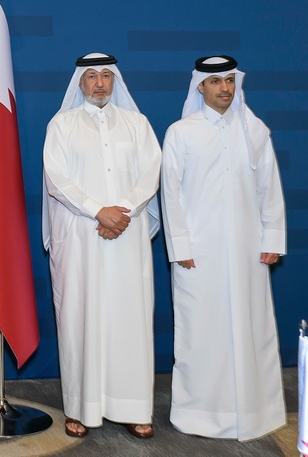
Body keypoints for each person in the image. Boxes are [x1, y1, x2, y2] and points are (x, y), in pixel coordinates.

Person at [161, 55, 286, 440]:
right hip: (198, 254)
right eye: (215, 82)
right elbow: (170, 194)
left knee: (251, 329)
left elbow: (269, 186)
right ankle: (199, 414)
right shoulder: (181, 132)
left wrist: (272, 237)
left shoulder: (254, 129)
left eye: (230, 80)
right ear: (200, 86)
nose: (225, 88)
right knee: (201, 332)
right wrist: (180, 245)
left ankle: (254, 411)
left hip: (248, 251)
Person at [42, 52, 161, 440]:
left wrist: (120, 212)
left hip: (127, 233)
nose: (99, 83)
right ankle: (81, 408)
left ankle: (133, 408)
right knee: (81, 318)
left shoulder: (137, 124)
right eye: (91, 76)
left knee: (130, 317)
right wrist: (98, 211)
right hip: (81, 236)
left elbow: (150, 173)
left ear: (115, 81)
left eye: (106, 76)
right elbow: (57, 179)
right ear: (80, 82)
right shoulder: (62, 125)